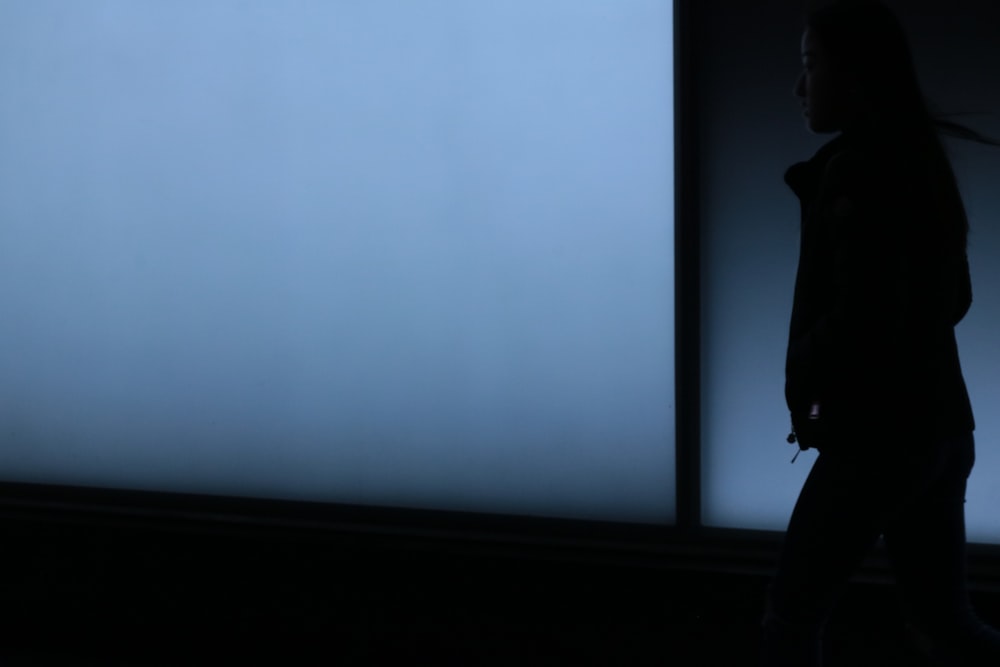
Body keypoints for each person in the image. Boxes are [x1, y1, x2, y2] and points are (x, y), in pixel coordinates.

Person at [761, 1, 1000, 665]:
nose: (799, 86)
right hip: (942, 428)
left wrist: (807, 375)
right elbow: (956, 297)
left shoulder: (857, 172)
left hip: (876, 442)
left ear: (857, 74)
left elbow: (862, 323)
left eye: (811, 65)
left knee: (790, 617)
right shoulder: (918, 161)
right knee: (948, 621)